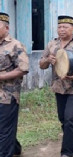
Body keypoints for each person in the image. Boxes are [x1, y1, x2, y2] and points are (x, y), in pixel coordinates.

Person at [39, 15, 73, 157]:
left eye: (65, 27)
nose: (61, 30)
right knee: (64, 119)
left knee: (70, 118)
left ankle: (67, 152)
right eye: (59, 27)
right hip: (59, 87)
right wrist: (48, 60)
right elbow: (41, 64)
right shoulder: (52, 44)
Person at [0, 12, 29, 157]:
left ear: (6, 28)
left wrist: (2, 76)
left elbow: (23, 69)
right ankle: (16, 149)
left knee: (4, 129)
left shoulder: (15, 45)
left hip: (8, 94)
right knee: (5, 129)